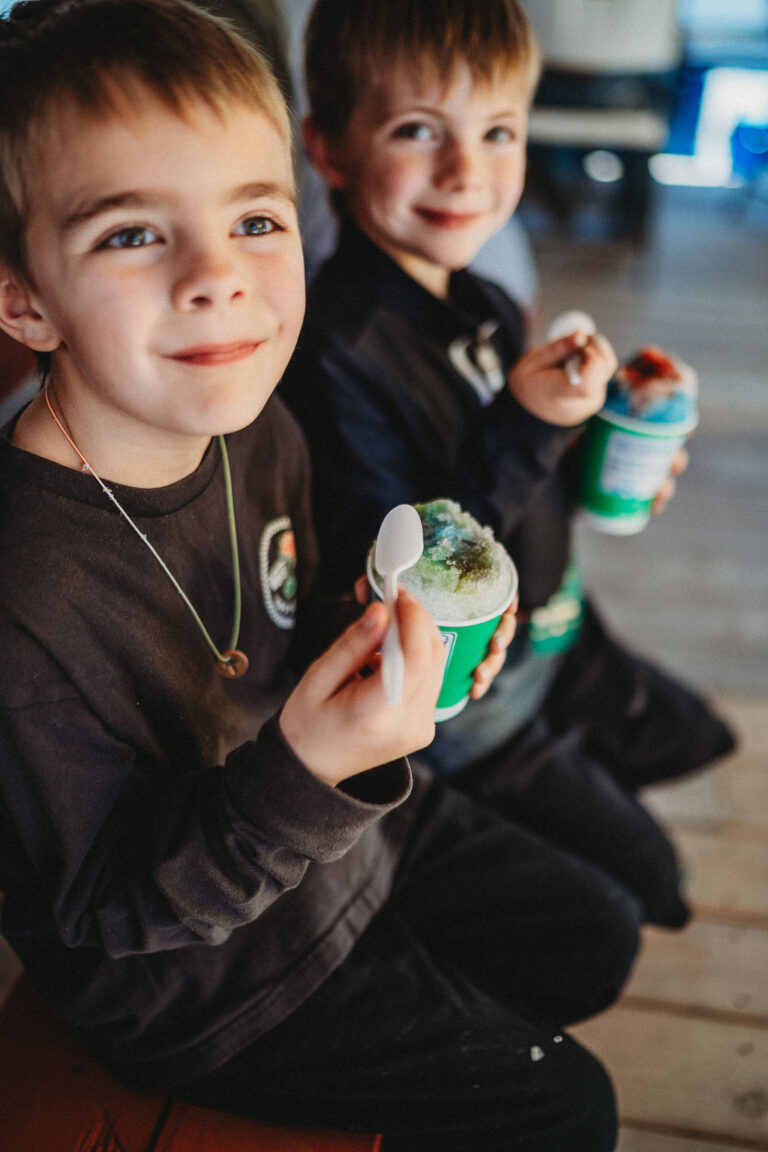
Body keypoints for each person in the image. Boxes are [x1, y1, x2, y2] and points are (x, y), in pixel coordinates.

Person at [0, 1, 641, 1148]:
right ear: (21, 297)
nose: (218, 277)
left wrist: (388, 631)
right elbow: (104, 911)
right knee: (569, 1110)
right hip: (202, 977)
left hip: (338, 836)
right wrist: (313, 765)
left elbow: (288, 614)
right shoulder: (29, 592)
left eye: (255, 217)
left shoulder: (259, 428)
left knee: (596, 931)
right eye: (132, 234)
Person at [280, 0, 736, 931]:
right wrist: (530, 424)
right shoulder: (334, 350)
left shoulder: (484, 296)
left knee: (699, 737)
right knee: (650, 888)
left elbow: (511, 468)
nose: (466, 171)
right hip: (478, 708)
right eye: (418, 131)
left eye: (498, 132)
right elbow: (412, 573)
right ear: (329, 151)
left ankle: (578, 756)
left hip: (558, 632)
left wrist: (597, 441)